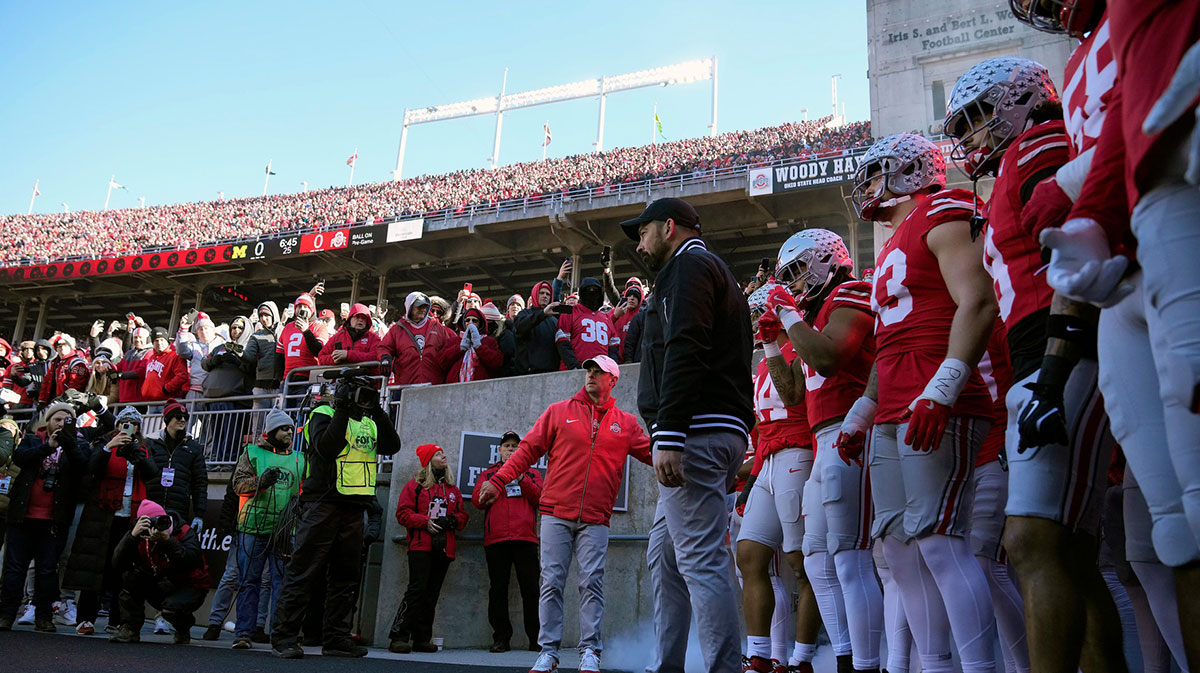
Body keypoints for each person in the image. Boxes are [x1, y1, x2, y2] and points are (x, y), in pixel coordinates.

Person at [943, 53, 1119, 673]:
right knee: (1066, 549)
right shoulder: (1011, 166)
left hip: (1062, 345)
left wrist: (1054, 363)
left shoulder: (1040, 142)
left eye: (980, 117)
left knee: (1033, 540)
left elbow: (1073, 248)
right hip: (1042, 353)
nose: (970, 135)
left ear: (1019, 99)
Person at [840, 132, 999, 673]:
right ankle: (935, 666)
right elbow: (889, 342)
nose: (868, 185)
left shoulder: (944, 209)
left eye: (878, 171)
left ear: (908, 170)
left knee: (940, 543)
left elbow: (978, 300)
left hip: (934, 392)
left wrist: (945, 385)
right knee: (898, 550)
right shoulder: (890, 242)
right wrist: (863, 412)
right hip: (892, 402)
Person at [620, 197, 755, 673]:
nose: (639, 243)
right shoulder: (707, 269)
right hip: (712, 427)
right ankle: (669, 665)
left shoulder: (689, 265)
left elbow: (686, 345)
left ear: (669, 227)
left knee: (699, 559)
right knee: (665, 557)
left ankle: (724, 669)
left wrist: (670, 431)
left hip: (695, 430)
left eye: (643, 232)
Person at [476, 355, 652, 673]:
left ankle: (590, 652)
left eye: (599, 372)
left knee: (591, 583)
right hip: (556, 512)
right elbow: (527, 449)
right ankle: (549, 651)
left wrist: (694, 462)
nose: (590, 375)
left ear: (613, 380)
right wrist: (499, 480)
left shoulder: (625, 423)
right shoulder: (559, 412)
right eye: (588, 370)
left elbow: (655, 454)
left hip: (596, 517)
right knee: (552, 582)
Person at [765, 227, 884, 673]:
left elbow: (830, 358)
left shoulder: (851, 291)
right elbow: (794, 393)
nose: (794, 284)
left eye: (798, 272)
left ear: (824, 260)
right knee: (816, 561)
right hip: (822, 440)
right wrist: (771, 341)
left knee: (850, 558)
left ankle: (866, 663)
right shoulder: (812, 317)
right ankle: (846, 655)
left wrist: (790, 315)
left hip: (850, 432)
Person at [269, 370, 401, 659]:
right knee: (303, 572)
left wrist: (376, 409)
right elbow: (327, 448)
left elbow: (393, 445)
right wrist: (341, 407)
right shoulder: (323, 412)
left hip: (355, 506)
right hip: (322, 504)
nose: (361, 398)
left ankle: (337, 638)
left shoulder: (368, 421)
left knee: (346, 577)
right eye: (358, 392)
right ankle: (285, 636)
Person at [738, 282, 824, 673]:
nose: (758, 322)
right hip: (770, 458)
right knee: (750, 555)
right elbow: (761, 428)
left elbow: (794, 397)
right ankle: (758, 654)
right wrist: (754, 477)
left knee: (799, 561)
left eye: (762, 312)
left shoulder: (803, 344)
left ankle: (801, 657)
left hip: (798, 451)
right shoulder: (761, 361)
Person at [64, 406, 159, 636]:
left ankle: (117, 619)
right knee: (96, 566)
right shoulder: (103, 442)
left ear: (138, 427)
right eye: (124, 422)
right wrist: (109, 447)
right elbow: (91, 468)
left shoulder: (144, 448)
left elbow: (151, 472)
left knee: (123, 570)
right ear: (117, 424)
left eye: (133, 423)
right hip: (102, 513)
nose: (128, 426)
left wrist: (134, 452)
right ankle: (86, 618)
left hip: (130, 517)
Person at [0, 402, 89, 632]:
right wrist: (48, 446)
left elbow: (83, 467)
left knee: (47, 570)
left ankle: (44, 617)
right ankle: (7, 614)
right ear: (47, 421)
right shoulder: (32, 439)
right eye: (57, 419)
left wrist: (68, 445)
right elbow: (20, 458)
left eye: (66, 420)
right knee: (14, 568)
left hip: (54, 519)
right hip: (23, 515)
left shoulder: (77, 444)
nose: (60, 424)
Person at [230, 409, 305, 650]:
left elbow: (303, 493)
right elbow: (238, 486)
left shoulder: (300, 458)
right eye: (284, 429)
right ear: (271, 431)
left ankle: (280, 636)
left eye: (291, 429)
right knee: (248, 581)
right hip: (252, 527)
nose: (290, 432)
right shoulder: (251, 452)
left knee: (282, 584)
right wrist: (260, 482)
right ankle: (243, 633)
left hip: (284, 531)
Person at [388, 444, 469, 654]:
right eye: (438, 454)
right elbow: (402, 513)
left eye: (443, 453)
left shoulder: (452, 489)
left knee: (431, 593)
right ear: (428, 460)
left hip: (444, 548)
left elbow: (463, 516)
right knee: (416, 590)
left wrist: (450, 520)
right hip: (420, 546)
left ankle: (422, 638)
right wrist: (424, 521)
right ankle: (399, 636)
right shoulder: (415, 487)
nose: (444, 456)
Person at [472, 430, 544, 654]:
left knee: (531, 590)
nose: (511, 449)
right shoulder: (488, 474)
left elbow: (541, 498)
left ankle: (537, 639)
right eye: (507, 446)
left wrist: (521, 478)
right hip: (497, 540)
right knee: (498, 590)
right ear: (500, 450)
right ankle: (501, 638)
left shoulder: (532, 473)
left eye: (515, 446)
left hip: (525, 539)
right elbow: (477, 500)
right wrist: (489, 494)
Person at [108, 500, 210, 644]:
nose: (156, 528)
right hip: (160, 581)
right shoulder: (140, 536)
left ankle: (183, 626)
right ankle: (130, 629)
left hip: (190, 585)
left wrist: (168, 540)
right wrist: (131, 536)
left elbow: (190, 562)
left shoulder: (183, 531)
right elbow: (117, 563)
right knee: (130, 578)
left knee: (171, 609)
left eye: (162, 522)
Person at [144, 399, 208, 533]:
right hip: (150, 507)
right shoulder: (150, 443)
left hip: (178, 512)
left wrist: (199, 515)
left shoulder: (193, 447)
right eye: (178, 417)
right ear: (167, 419)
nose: (183, 420)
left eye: (185, 417)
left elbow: (200, 483)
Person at [378, 291, 459, 387]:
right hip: (406, 385)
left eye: (425, 306)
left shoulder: (438, 328)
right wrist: (385, 357)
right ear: (410, 307)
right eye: (419, 306)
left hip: (434, 385)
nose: (423, 309)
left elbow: (453, 345)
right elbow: (384, 347)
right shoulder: (397, 329)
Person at [555, 277, 619, 369]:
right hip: (573, 372)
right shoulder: (570, 312)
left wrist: (609, 367)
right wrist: (574, 367)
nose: (592, 292)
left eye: (595, 290)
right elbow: (562, 341)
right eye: (588, 289)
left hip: (600, 372)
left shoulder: (606, 317)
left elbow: (614, 344)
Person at [514, 280, 564, 375]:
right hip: (528, 374)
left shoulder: (554, 320)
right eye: (541, 293)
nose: (545, 296)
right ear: (535, 294)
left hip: (551, 373)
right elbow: (520, 327)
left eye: (548, 294)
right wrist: (542, 314)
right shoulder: (525, 314)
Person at [447, 306, 504, 383]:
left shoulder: (489, 341)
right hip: (455, 386)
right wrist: (459, 348)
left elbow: (496, 363)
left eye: (474, 321)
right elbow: (442, 361)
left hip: (480, 387)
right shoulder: (454, 340)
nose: (470, 323)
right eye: (467, 320)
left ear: (480, 323)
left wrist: (479, 346)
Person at [243, 301, 283, 409]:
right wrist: (238, 352)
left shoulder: (285, 331)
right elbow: (248, 356)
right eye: (261, 316)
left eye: (267, 315)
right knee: (258, 423)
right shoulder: (256, 336)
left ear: (274, 315)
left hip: (281, 385)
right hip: (261, 386)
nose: (264, 319)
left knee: (278, 421)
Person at [317, 303, 381, 368]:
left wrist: (348, 355)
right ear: (350, 318)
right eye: (357, 317)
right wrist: (334, 358)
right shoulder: (337, 337)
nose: (361, 320)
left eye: (364, 318)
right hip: (340, 376)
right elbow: (321, 356)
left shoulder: (374, 338)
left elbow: (377, 356)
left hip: (366, 376)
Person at [39, 334, 90, 405]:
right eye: (59, 346)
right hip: (53, 402)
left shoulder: (76, 362)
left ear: (71, 347)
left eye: (65, 345)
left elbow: (76, 387)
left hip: (68, 403)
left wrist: (67, 400)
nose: (62, 348)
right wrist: (42, 400)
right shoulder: (53, 363)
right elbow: (46, 382)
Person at [142, 327, 188, 404]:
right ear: (153, 343)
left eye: (162, 340)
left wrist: (167, 388)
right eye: (156, 341)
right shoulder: (151, 358)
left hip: (169, 400)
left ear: (167, 341)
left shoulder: (175, 356)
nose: (159, 343)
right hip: (152, 401)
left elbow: (182, 376)